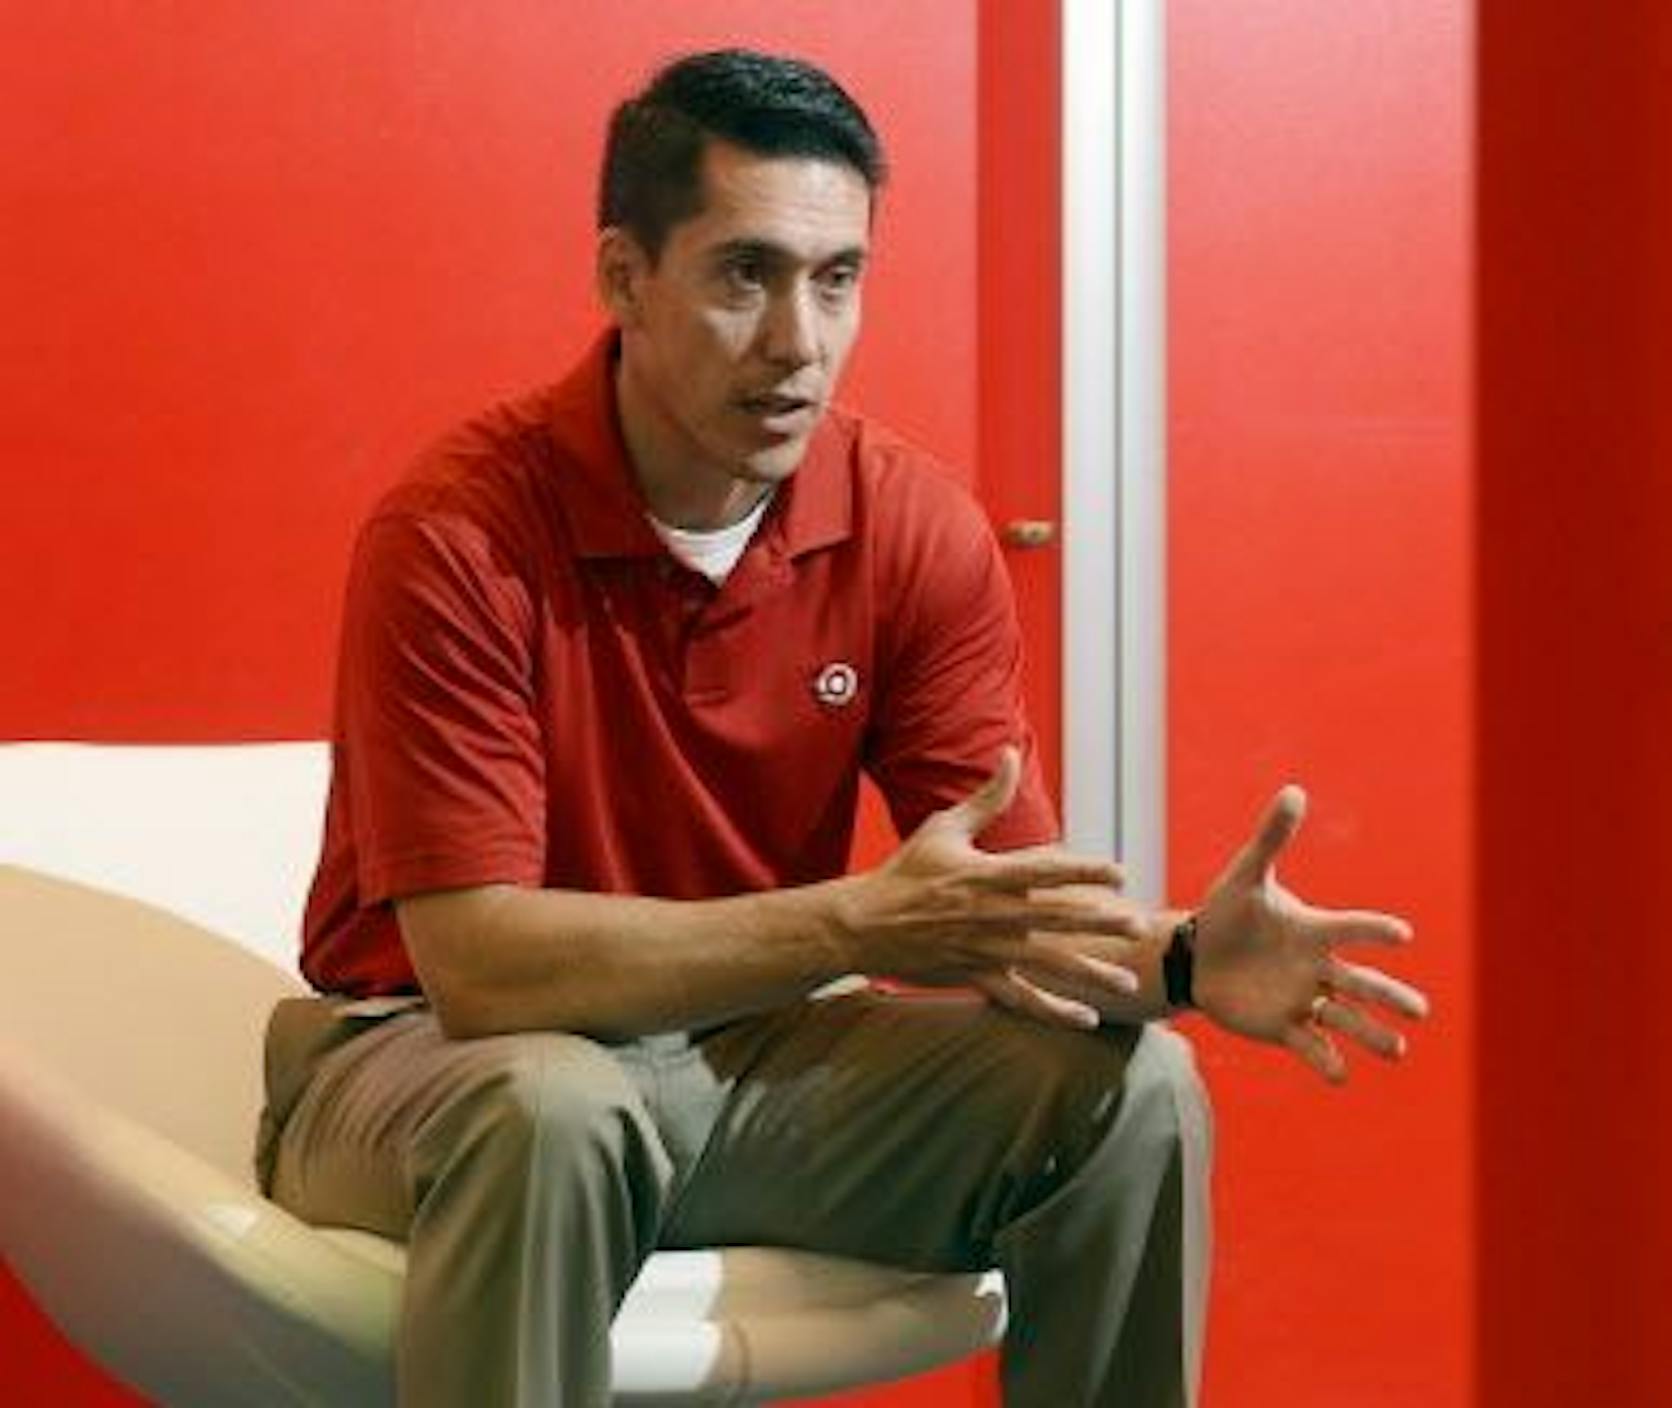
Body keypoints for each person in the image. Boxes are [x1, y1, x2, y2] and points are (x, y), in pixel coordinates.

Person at [256, 49, 1429, 1408]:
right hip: (425, 1065)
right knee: (553, 1112)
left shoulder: (908, 527)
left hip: (744, 1058)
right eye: (744, 274)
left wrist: (1177, 960)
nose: (796, 341)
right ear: (625, 277)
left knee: (1137, 1095)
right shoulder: (458, 534)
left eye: (838, 278)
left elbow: (1005, 922)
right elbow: (480, 972)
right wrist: (856, 927)